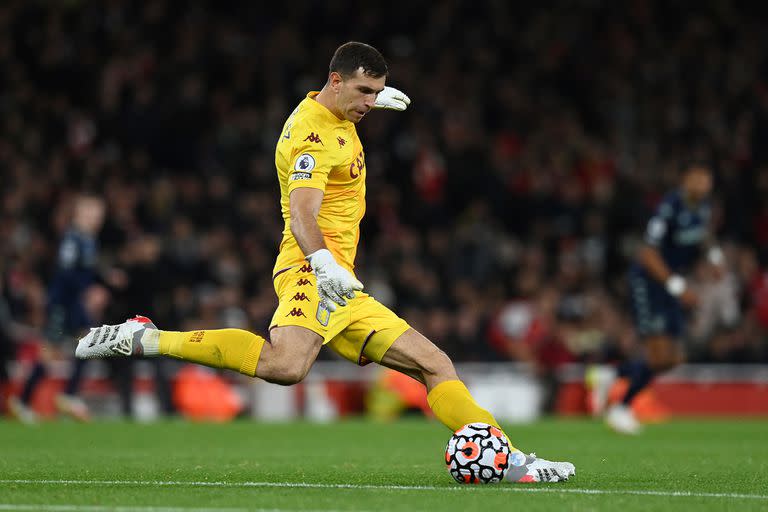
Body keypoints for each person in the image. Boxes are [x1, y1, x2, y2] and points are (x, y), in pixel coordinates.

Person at [75, 42, 575, 483]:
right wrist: (323, 264)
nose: (368, 103)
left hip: (343, 282)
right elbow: (301, 212)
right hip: (313, 272)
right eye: (363, 92)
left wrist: (373, 103)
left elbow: (349, 121)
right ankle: (147, 337)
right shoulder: (311, 136)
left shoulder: (339, 112)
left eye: (375, 93)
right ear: (334, 81)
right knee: (286, 366)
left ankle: (509, 458)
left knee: (435, 364)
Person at [605, 162, 723, 434]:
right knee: (659, 355)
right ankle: (621, 407)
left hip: (671, 284)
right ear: (685, 180)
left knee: (674, 358)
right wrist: (678, 287)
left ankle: (615, 375)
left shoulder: (703, 207)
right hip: (649, 283)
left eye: (707, 179)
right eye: (697, 179)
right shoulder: (668, 208)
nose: (703, 185)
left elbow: (705, 236)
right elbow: (647, 254)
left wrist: (715, 258)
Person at [9, 195, 113, 423]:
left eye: (98, 215)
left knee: (89, 342)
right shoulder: (72, 238)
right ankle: (39, 399)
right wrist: (90, 290)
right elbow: (66, 273)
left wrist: (105, 279)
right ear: (77, 214)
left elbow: (87, 271)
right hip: (62, 302)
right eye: (90, 214)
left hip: (73, 302)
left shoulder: (88, 239)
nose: (95, 219)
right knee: (57, 351)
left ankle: (64, 395)